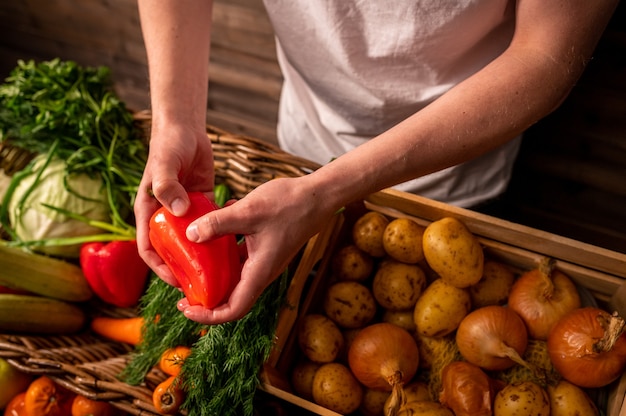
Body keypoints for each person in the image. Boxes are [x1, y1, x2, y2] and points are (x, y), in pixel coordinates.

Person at [134, 0, 618, 325]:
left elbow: (546, 55)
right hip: (302, 139)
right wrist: (175, 118)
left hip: (458, 160)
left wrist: (324, 190)